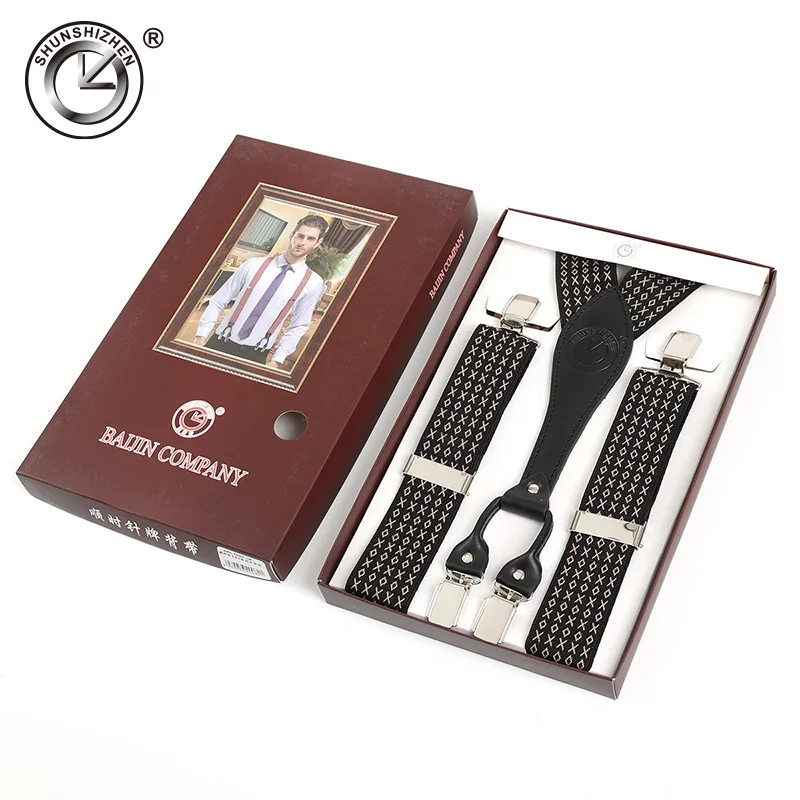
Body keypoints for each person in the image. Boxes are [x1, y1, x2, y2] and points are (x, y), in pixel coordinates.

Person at [195, 215, 327, 369]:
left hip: (257, 354)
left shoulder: (313, 282)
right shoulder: (252, 265)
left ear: (318, 243)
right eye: (300, 236)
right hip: (219, 342)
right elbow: (219, 300)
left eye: (310, 239)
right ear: (292, 235)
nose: (302, 242)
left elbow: (299, 325)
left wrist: (276, 360)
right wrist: (201, 336)